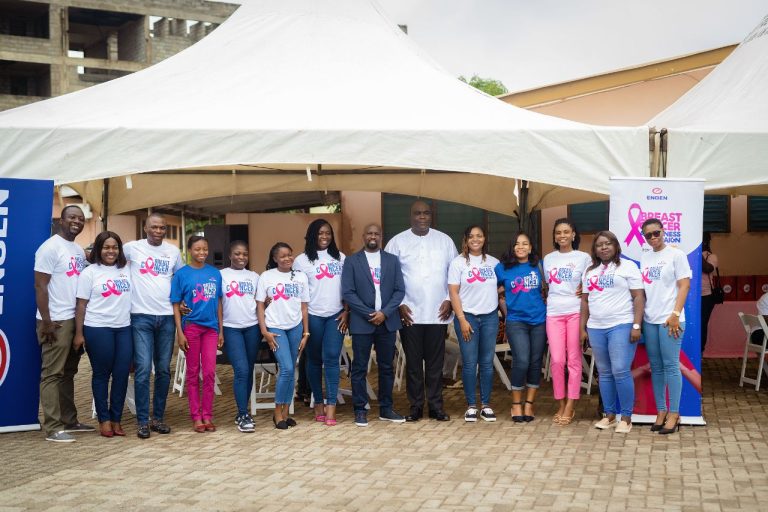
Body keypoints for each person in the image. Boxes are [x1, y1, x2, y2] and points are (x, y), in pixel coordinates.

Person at [385, 200, 457, 422]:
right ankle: (416, 406)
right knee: (414, 364)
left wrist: (449, 300)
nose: (422, 217)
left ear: (431, 215)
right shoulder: (397, 242)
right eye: (418, 213)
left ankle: (436, 406)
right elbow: (389, 278)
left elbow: (455, 273)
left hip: (438, 312)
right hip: (409, 313)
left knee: (436, 364)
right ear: (411, 216)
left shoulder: (444, 241)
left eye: (426, 213)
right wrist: (399, 304)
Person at [34, 205, 94, 442]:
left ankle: (69, 420)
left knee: (69, 371)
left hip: (74, 318)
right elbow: (40, 286)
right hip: (56, 320)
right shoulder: (49, 248)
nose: (77, 221)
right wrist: (46, 321)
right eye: (72, 217)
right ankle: (53, 427)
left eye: (80, 218)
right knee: (52, 373)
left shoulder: (77, 249)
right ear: (61, 220)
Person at [124, 213, 184, 439]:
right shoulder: (131, 248)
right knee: (141, 370)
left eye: (162, 228)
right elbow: (107, 258)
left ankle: (158, 418)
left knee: (163, 371)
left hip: (167, 317)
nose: (158, 231)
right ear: (145, 228)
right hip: (140, 317)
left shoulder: (173, 252)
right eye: (154, 227)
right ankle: (142, 421)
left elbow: (180, 279)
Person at [580, 231, 645, 434]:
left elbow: (639, 297)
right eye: (599, 245)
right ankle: (608, 416)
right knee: (605, 373)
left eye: (608, 243)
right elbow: (584, 301)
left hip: (621, 324)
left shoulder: (628, 267)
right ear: (595, 249)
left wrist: (636, 325)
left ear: (616, 246)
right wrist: (582, 328)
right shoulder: (590, 271)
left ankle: (626, 417)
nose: (604, 247)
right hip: (596, 327)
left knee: (620, 370)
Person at [342, 223, 407, 427]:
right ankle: (360, 410)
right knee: (360, 368)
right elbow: (348, 292)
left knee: (387, 367)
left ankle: (386, 409)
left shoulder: (392, 260)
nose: (373, 236)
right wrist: (369, 313)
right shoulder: (352, 261)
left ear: (381, 237)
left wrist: (384, 313)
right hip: (363, 323)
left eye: (377, 233)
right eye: (369, 233)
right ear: (363, 236)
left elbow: (399, 290)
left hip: (387, 322)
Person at [74, 231, 132, 438]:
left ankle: (117, 419)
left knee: (122, 374)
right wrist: (79, 334)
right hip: (98, 328)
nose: (111, 251)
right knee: (101, 375)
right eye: (106, 247)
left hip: (124, 328)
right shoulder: (89, 273)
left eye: (114, 247)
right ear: (98, 249)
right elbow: (81, 305)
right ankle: (104, 419)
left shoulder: (126, 269)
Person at [293, 219, 348, 426]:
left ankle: (331, 405)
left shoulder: (341, 258)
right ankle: (318, 403)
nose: (324, 237)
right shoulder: (301, 260)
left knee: (332, 358)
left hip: (336, 316)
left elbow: (348, 288)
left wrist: (347, 311)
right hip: (313, 316)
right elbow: (296, 291)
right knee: (314, 360)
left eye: (328, 233)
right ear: (312, 235)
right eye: (320, 233)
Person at [640, 218, 692, 435]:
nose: (653, 237)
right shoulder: (645, 257)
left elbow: (684, 285)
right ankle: (661, 411)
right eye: (648, 235)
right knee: (657, 367)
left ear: (664, 231)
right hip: (650, 319)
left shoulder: (676, 254)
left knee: (671, 366)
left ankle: (674, 413)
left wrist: (675, 314)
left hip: (670, 320)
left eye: (656, 233)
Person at [447, 225, 500, 422]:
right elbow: (453, 292)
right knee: (470, 363)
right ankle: (471, 406)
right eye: (471, 236)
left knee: (486, 363)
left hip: (490, 318)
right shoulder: (458, 263)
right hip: (467, 317)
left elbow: (503, 286)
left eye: (479, 236)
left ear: (485, 238)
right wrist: (461, 319)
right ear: (466, 240)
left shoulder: (494, 263)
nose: (475, 239)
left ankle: (486, 405)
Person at [171, 236, 223, 432]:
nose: (202, 253)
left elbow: (218, 303)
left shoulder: (215, 273)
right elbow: (175, 305)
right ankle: (196, 416)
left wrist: (220, 330)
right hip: (191, 327)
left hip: (211, 329)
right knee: (193, 373)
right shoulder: (181, 274)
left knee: (209, 373)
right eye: (197, 249)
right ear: (189, 251)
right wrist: (180, 333)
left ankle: (207, 415)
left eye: (205, 249)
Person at [542, 218, 592, 426]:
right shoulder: (548, 259)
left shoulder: (584, 258)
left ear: (573, 234)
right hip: (553, 314)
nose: (562, 236)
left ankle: (570, 404)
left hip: (574, 313)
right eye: (558, 232)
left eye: (566, 232)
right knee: (557, 361)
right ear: (554, 236)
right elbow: (548, 286)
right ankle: (560, 402)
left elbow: (588, 288)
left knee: (573, 360)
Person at [256, 243, 310, 429]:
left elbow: (304, 307)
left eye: (290, 255)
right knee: (286, 368)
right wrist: (264, 331)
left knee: (291, 369)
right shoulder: (266, 276)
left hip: (295, 327)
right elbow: (260, 306)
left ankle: (286, 413)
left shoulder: (300, 276)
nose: (287, 258)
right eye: (283, 256)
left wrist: (306, 332)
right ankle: (277, 412)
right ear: (275, 259)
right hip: (275, 328)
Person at [495, 232, 546, 423]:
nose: (521, 247)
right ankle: (516, 404)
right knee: (521, 360)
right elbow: (488, 288)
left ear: (531, 247)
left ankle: (529, 403)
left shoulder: (538, 266)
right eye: (517, 244)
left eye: (525, 244)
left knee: (534, 362)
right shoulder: (502, 268)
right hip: (516, 321)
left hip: (539, 320)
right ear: (512, 247)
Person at [220, 240, 260, 433]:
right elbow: (218, 305)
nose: (241, 257)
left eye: (244, 254)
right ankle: (243, 413)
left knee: (249, 369)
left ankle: (243, 413)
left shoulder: (254, 276)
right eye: (237, 253)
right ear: (230, 255)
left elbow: (260, 303)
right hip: (231, 328)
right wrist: (219, 330)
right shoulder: (221, 275)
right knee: (242, 370)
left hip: (252, 327)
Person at [700, 232, 719, 352]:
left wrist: (698, 252)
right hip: (690, 296)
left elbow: (707, 269)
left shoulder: (712, 257)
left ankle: (700, 350)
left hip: (706, 296)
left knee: (702, 323)